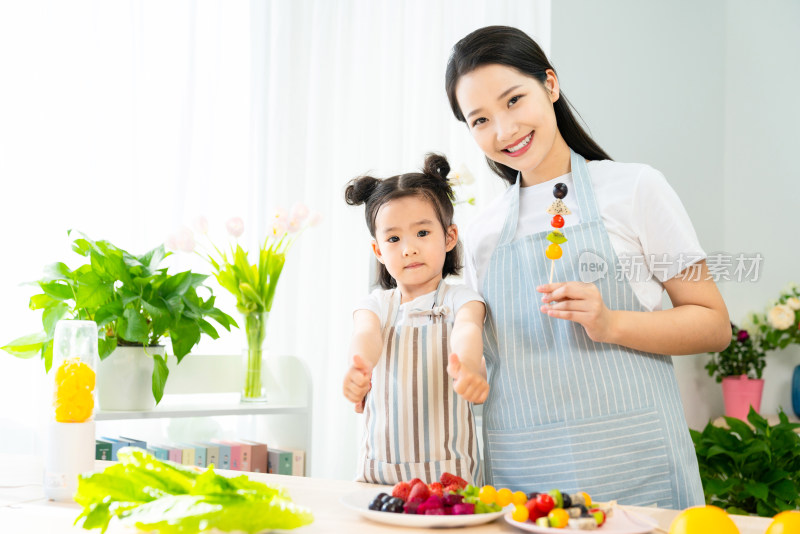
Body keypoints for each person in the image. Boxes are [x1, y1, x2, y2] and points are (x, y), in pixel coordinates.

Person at [444, 26, 730, 509]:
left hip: (637, 476)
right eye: (480, 120)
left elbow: (713, 323)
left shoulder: (635, 188)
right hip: (525, 479)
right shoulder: (483, 232)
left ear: (550, 86)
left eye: (514, 100)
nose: (504, 130)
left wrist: (611, 322)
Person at [342, 153, 489, 485]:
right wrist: (359, 367)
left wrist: (468, 365)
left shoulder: (460, 298)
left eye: (422, 233)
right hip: (378, 474)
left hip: (449, 476)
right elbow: (366, 334)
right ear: (378, 250)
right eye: (393, 239)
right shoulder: (377, 304)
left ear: (449, 237)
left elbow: (467, 328)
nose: (408, 248)